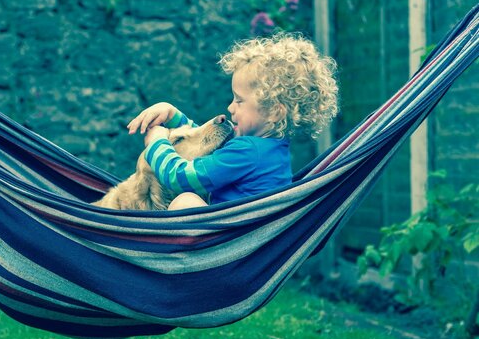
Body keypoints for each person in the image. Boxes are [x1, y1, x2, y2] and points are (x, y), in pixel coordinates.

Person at [127, 33, 338, 210]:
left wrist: (156, 143)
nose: (230, 107)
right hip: (250, 244)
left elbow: (180, 178)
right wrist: (173, 117)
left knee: (185, 201)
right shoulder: (271, 149)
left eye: (239, 100)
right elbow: (208, 140)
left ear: (274, 112)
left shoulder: (245, 152)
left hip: (230, 248)